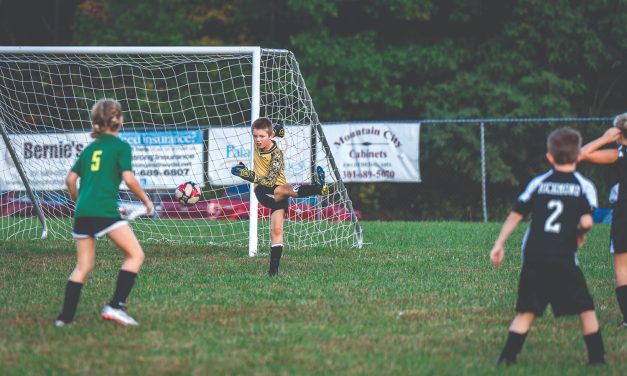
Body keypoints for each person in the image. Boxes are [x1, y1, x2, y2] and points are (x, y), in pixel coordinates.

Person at [489, 127, 605, 366]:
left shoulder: (539, 183)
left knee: (527, 311)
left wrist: (499, 243)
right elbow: (586, 221)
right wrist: (581, 233)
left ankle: (506, 358)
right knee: (585, 308)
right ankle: (597, 360)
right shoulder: (584, 186)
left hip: (535, 254)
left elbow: (516, 214)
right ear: (577, 155)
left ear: (550, 157)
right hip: (563, 256)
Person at [55, 99, 153, 327]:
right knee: (135, 255)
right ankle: (115, 306)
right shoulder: (120, 147)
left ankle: (65, 319)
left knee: (83, 267)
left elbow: (70, 180)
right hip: (104, 211)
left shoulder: (90, 149)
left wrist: (78, 201)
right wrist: (146, 200)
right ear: (119, 120)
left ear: (96, 122)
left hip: (83, 212)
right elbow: (128, 178)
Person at [231, 117, 328, 276]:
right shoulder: (263, 140)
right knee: (283, 190)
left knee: (276, 229)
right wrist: (279, 130)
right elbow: (272, 131)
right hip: (263, 191)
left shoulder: (277, 155)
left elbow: (270, 180)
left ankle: (272, 272)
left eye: (261, 136)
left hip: (276, 189)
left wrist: (248, 175)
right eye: (255, 136)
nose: (258, 140)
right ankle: (317, 188)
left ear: (269, 136)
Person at [579, 113, 627, 327]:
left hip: (624, 213)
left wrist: (605, 138)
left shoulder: (618, 154)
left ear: (618, 134)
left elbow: (581, 154)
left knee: (622, 267)